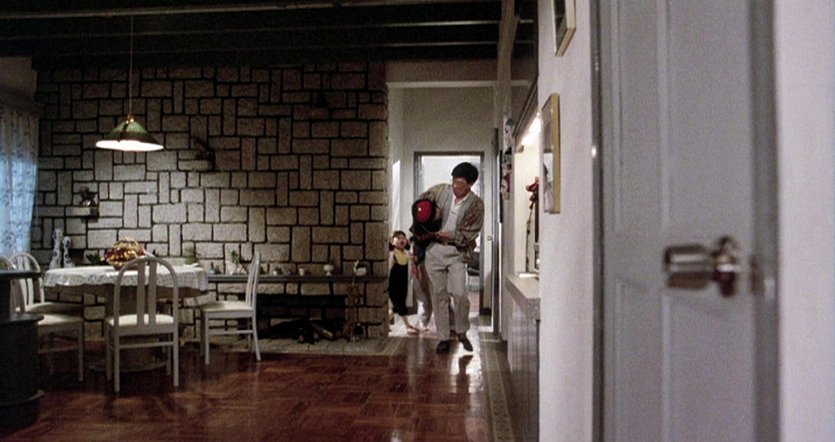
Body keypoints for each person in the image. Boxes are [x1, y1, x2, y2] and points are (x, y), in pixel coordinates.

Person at [417, 162, 484, 354]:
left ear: (470, 184)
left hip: (457, 252)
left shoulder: (476, 204)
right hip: (434, 250)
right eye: (454, 181)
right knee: (439, 296)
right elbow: (420, 206)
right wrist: (427, 217)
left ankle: (461, 331)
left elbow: (468, 234)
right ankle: (443, 338)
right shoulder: (440, 191)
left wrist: (444, 234)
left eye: (460, 184)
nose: (455, 186)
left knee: (460, 294)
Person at [388, 230, 419, 334]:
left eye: (403, 238)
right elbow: (388, 270)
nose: (402, 240)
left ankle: (385, 322)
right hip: (393, 285)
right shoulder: (392, 254)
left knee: (396, 307)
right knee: (400, 304)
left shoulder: (407, 253)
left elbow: (410, 268)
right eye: (399, 238)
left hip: (403, 284)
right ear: (392, 241)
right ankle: (407, 326)